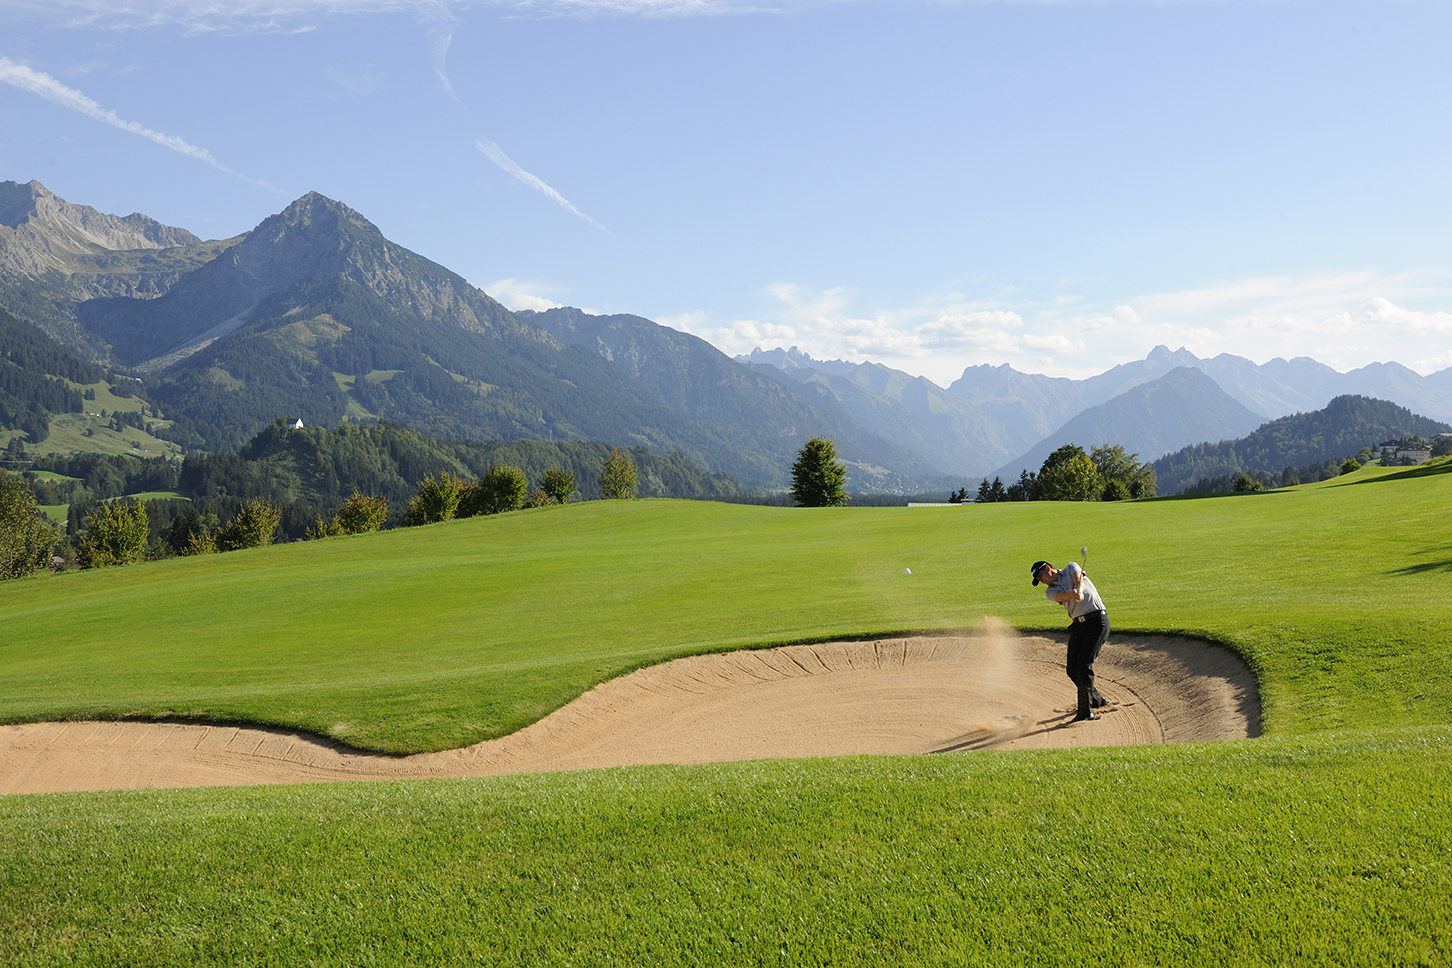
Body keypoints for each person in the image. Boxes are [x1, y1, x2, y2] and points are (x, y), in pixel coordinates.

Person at [1030, 559, 1109, 722]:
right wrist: (1071, 594)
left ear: (1047, 568)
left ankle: (1085, 712)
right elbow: (1061, 596)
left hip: (1097, 621)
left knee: (1084, 665)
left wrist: (1078, 590)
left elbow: (1078, 579)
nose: (1041, 580)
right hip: (1078, 625)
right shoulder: (1050, 592)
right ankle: (1095, 699)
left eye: (1040, 575)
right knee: (1072, 669)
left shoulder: (1070, 567)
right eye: (1038, 579)